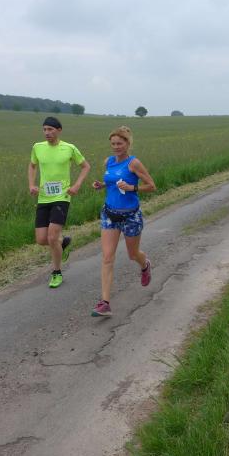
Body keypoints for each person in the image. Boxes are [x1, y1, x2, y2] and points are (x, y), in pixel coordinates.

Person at [90, 126, 157, 317]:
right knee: (107, 257)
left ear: (127, 144)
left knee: (133, 254)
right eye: (113, 144)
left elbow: (151, 186)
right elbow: (113, 181)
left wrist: (132, 187)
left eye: (119, 143)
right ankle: (105, 303)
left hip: (130, 216)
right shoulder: (109, 161)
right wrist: (102, 185)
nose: (116, 147)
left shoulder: (134, 163)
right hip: (109, 214)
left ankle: (145, 265)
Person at [28, 116, 91, 288]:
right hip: (43, 197)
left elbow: (86, 166)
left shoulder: (69, 148)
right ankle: (63, 244)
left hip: (62, 197)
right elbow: (32, 165)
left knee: (52, 236)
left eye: (50, 129)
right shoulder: (37, 147)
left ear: (59, 130)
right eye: (44, 129)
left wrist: (76, 185)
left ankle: (56, 272)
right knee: (42, 239)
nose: (47, 132)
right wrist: (31, 184)